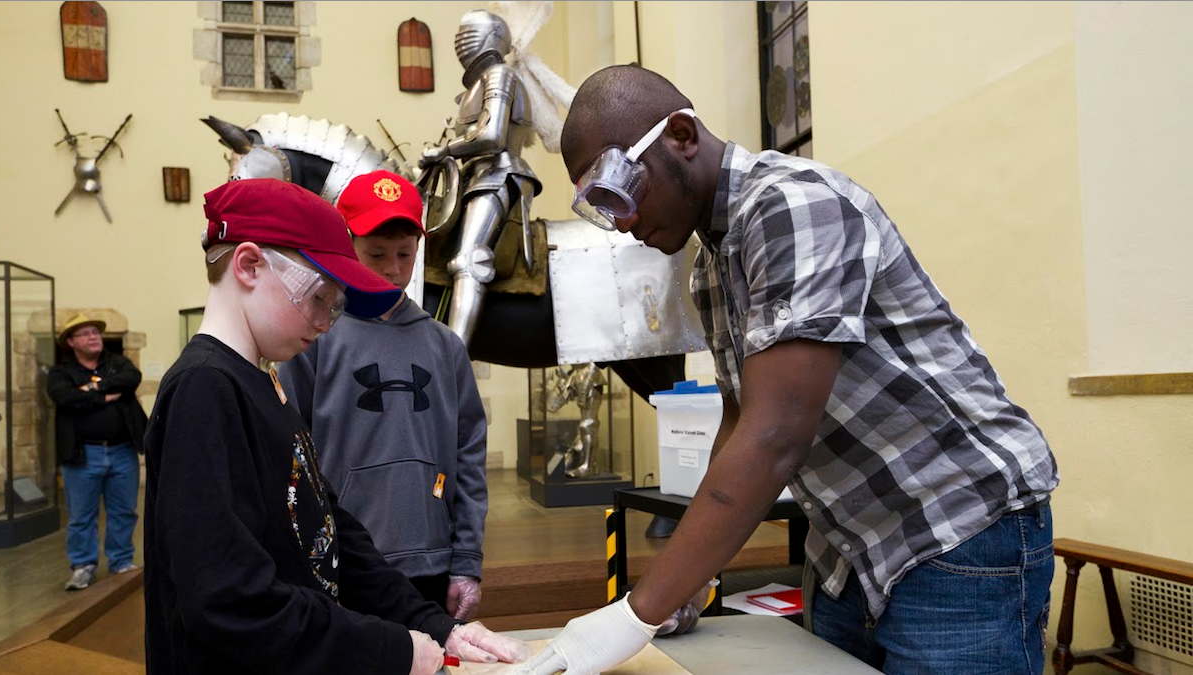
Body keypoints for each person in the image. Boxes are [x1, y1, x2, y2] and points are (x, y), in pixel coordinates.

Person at [517, 65, 1060, 675]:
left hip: (955, 529)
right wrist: (695, 576)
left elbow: (776, 437)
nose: (621, 221)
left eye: (620, 187)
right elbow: (741, 420)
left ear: (681, 136)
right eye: (598, 204)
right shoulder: (713, 265)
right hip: (849, 547)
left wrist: (635, 615)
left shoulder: (793, 206)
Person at [143, 178, 528, 675]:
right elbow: (228, 599)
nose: (327, 321)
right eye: (318, 297)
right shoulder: (205, 390)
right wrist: (392, 649)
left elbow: (330, 527)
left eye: (335, 305)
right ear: (249, 265)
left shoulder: (262, 385)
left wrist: (437, 625)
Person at [279, 170, 489, 621]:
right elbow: (288, 457)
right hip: (346, 563)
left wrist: (466, 564)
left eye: (404, 254)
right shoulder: (311, 339)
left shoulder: (446, 347)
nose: (393, 269)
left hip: (432, 563)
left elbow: (470, 459)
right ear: (347, 245)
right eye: (376, 254)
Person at [418, 8, 542, 346]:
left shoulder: (500, 75)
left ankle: (455, 353)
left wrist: (444, 151)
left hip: (498, 175)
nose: (461, 41)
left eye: (468, 33)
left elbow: (492, 137)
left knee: (469, 259)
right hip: (473, 178)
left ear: (492, 39)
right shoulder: (473, 88)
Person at [47, 312, 147, 591]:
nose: (93, 337)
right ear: (70, 342)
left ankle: (121, 561)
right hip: (83, 456)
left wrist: (92, 388)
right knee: (81, 516)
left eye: (95, 332)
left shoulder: (117, 364)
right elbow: (65, 397)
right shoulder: (60, 373)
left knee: (124, 511)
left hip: (122, 451)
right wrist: (104, 395)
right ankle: (83, 566)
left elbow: (131, 378)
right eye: (85, 333)